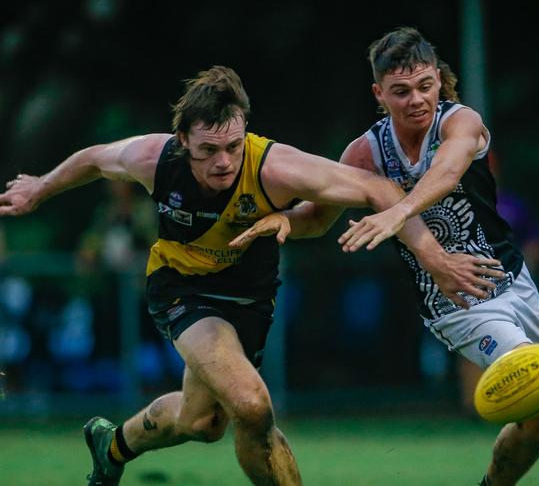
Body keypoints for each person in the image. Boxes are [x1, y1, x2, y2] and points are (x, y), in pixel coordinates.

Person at [0, 65, 502, 486]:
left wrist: (434, 259)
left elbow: (380, 190)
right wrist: (40, 187)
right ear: (183, 140)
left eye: (233, 147)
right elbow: (93, 159)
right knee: (252, 404)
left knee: (203, 421)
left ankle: (112, 446)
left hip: (251, 299)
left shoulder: (276, 167)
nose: (223, 162)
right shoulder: (154, 158)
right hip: (183, 291)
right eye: (208, 151)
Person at [233, 28, 539, 485]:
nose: (417, 100)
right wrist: (289, 221)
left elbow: (448, 172)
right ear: (379, 93)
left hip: (512, 280)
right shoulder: (365, 153)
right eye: (401, 91)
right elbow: (318, 216)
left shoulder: (460, 122)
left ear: (438, 81)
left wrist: (398, 210)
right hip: (454, 304)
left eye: (425, 86)